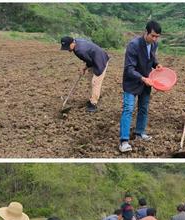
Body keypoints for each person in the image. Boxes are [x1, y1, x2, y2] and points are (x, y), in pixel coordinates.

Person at [119, 21, 163, 153]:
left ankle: (140, 133)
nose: (155, 39)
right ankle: (124, 141)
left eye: (157, 37)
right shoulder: (133, 45)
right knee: (128, 108)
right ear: (146, 32)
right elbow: (129, 69)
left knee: (143, 108)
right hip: (132, 82)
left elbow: (151, 58)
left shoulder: (154, 44)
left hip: (146, 81)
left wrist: (157, 65)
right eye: (153, 36)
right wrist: (143, 78)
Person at [60, 36, 110, 113]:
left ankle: (93, 104)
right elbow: (89, 59)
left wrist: (84, 68)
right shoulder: (77, 42)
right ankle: (93, 97)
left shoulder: (80, 50)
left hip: (100, 60)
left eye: (68, 47)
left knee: (95, 82)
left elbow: (89, 62)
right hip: (94, 58)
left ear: (72, 43)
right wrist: (85, 68)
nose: (67, 49)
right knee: (91, 79)